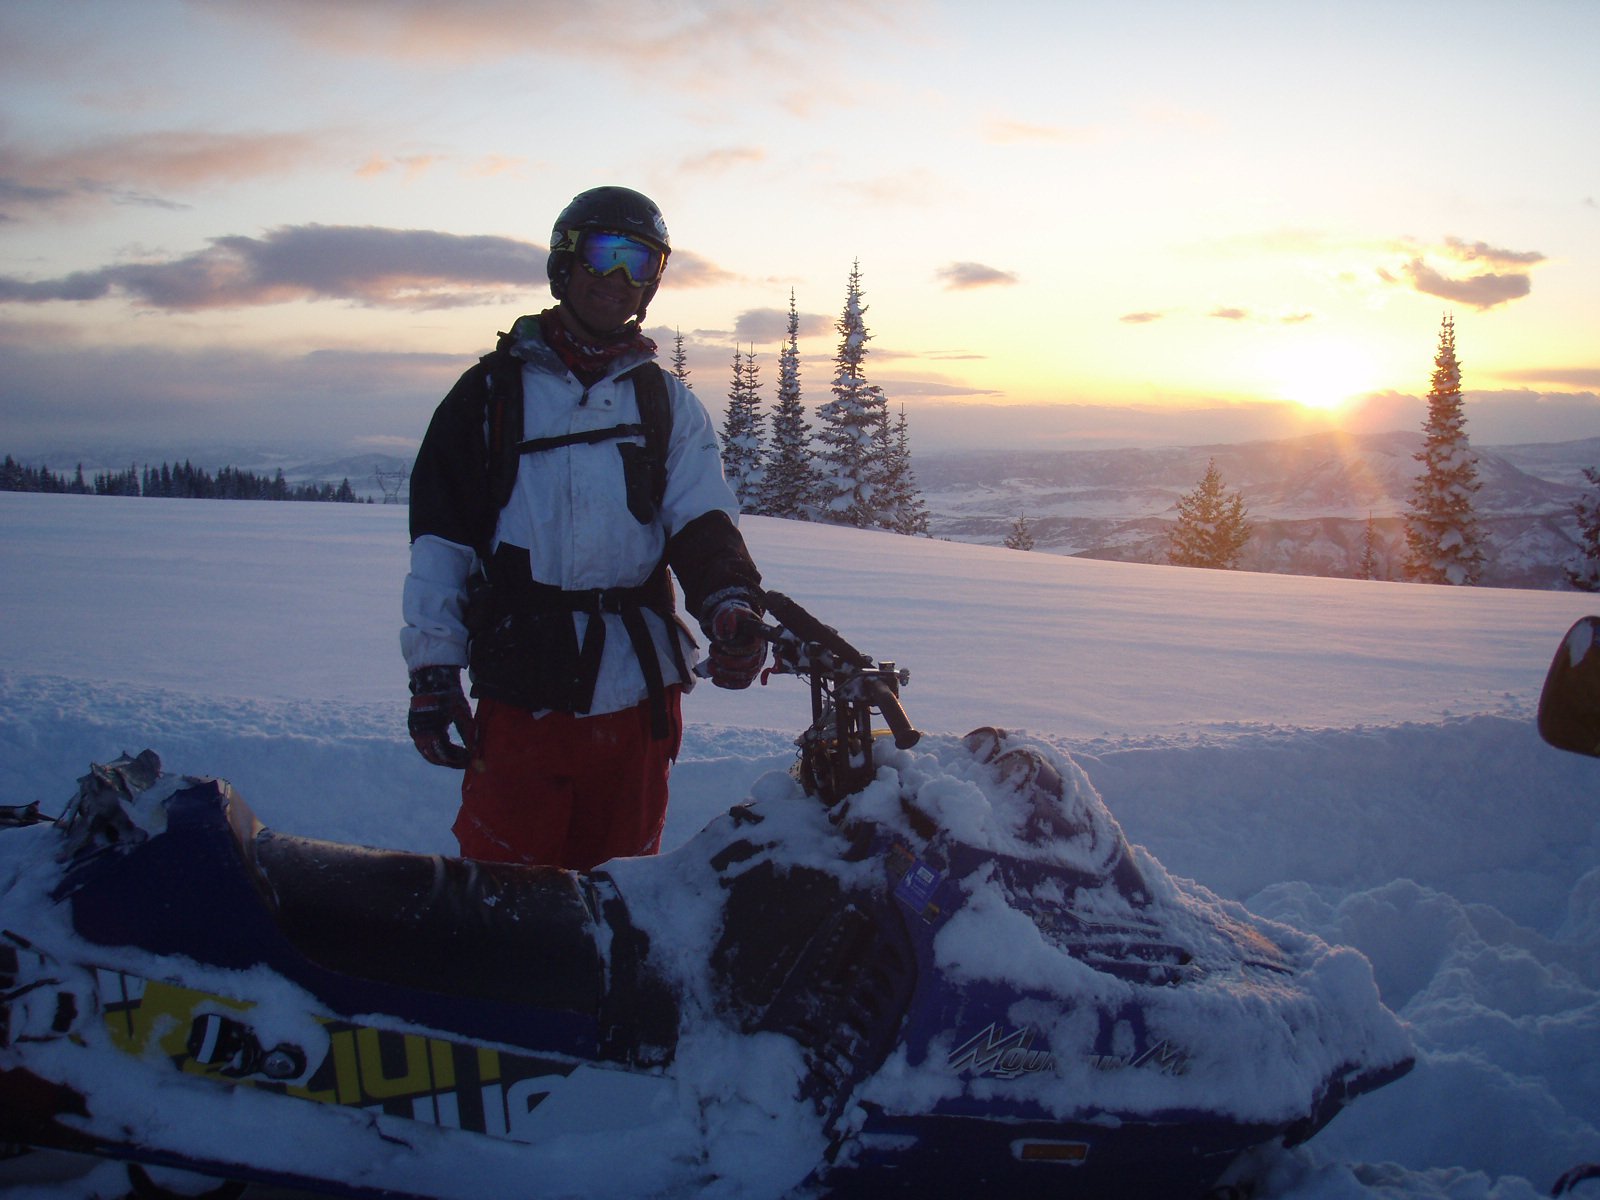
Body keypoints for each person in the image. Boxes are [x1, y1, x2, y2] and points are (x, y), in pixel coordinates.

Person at [401, 185, 767, 871]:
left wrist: (730, 603)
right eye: (603, 254)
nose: (618, 278)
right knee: (504, 888)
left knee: (622, 892)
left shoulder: (666, 403)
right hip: (522, 691)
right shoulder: (489, 396)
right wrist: (432, 669)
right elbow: (440, 544)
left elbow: (701, 519)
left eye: (640, 262)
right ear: (564, 263)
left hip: (637, 696)